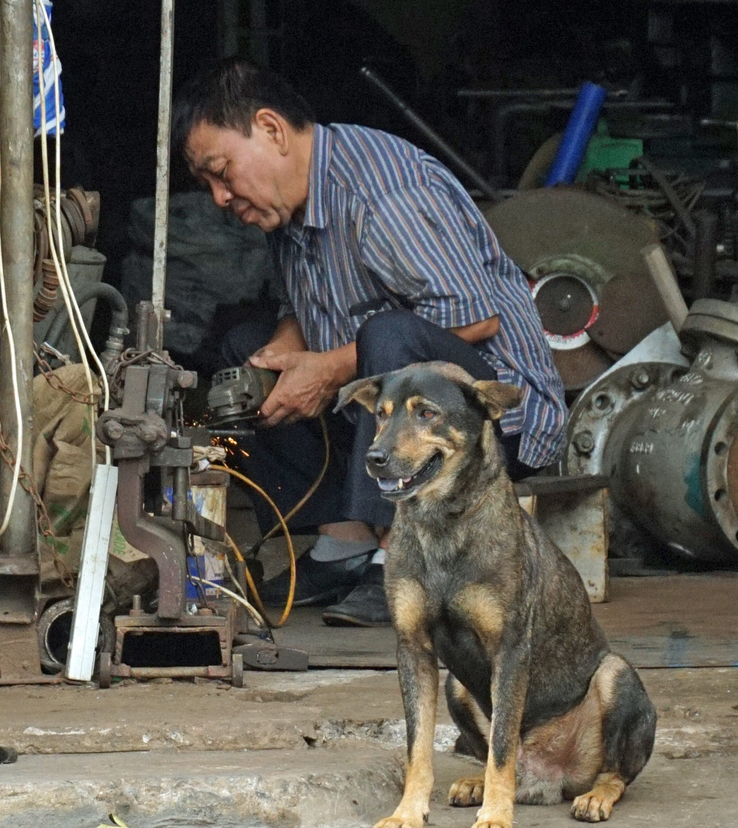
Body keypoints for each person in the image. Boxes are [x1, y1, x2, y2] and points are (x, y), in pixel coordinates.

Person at [177, 58, 566, 626]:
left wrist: (329, 369)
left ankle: (400, 559)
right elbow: (300, 310)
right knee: (244, 352)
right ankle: (344, 546)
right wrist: (282, 354)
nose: (218, 196)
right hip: (383, 411)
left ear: (271, 130)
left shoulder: (383, 195)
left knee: (388, 338)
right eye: (207, 183)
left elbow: (473, 320)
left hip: (494, 419)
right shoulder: (288, 209)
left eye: (222, 171)